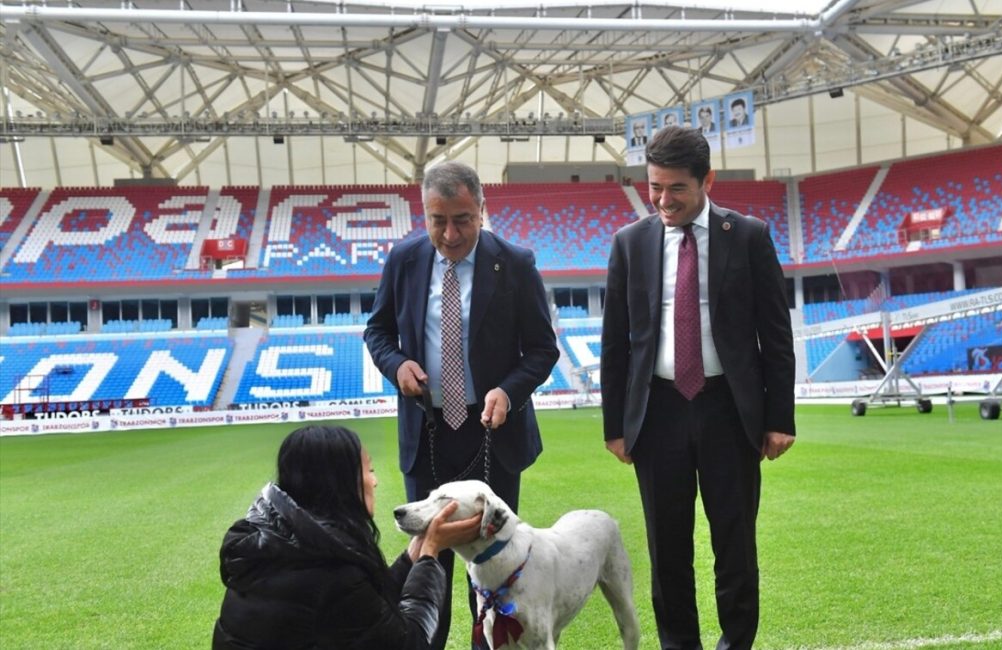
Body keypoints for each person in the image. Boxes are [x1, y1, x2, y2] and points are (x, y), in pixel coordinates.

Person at [600, 125, 796, 650]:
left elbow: (775, 334)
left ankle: (736, 643)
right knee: (667, 551)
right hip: (657, 412)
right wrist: (615, 427)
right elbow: (615, 343)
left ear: (707, 179)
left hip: (729, 412)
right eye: (654, 187)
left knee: (735, 544)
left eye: (676, 189)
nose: (663, 200)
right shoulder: (629, 243)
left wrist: (780, 419)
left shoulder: (749, 236)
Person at [364, 160, 559, 650]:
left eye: (462, 220)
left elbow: (542, 349)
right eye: (437, 220)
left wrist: (508, 391)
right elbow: (378, 332)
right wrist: (397, 366)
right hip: (426, 432)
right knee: (427, 560)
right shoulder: (404, 259)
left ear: (481, 210)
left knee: (495, 566)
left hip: (493, 432)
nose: (449, 234)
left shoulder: (515, 263)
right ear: (423, 213)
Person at [212, 424, 482, 649]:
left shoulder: (278, 543)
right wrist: (430, 553)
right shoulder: (330, 570)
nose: (374, 481)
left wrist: (414, 554)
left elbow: (368, 608)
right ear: (340, 482)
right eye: (369, 470)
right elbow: (410, 643)